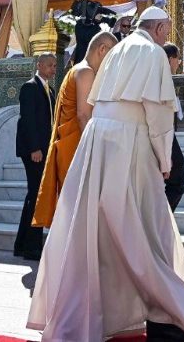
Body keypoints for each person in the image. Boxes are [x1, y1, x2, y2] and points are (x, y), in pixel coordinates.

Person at [27, 7, 184, 342]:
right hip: (129, 142)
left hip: (98, 141)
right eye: (168, 29)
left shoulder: (118, 48)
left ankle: (108, 314)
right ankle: (171, 314)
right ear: (159, 28)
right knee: (146, 232)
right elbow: (158, 112)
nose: (168, 36)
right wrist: (164, 158)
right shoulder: (152, 52)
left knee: (99, 233)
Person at [32, 29, 114, 229]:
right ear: (102, 50)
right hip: (78, 148)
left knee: (73, 210)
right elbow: (83, 115)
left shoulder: (76, 69)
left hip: (71, 145)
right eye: (112, 56)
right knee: (77, 210)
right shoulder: (86, 72)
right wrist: (94, 148)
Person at [13, 54, 55, 261]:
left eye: (54, 65)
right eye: (49, 65)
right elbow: (28, 120)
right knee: (37, 195)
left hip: (45, 149)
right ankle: (32, 247)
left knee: (34, 194)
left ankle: (22, 244)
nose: (53, 69)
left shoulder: (50, 90)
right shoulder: (30, 87)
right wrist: (35, 148)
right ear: (39, 65)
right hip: (34, 151)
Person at [161, 42, 184, 211]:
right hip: (164, 135)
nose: (179, 63)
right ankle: (163, 218)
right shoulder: (163, 79)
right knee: (177, 183)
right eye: (178, 59)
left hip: (165, 134)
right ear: (170, 59)